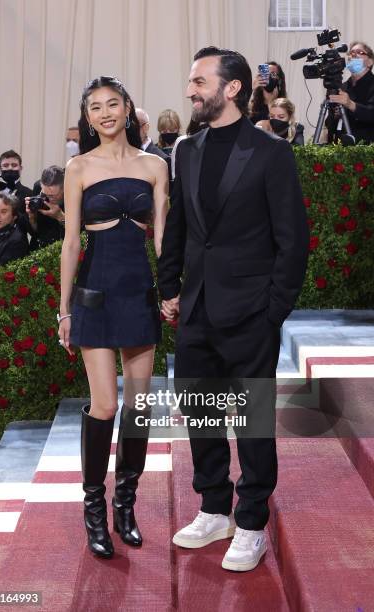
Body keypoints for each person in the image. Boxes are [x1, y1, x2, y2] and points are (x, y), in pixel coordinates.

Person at [158, 46, 309, 572]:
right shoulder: (188, 149)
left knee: (251, 422)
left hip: (250, 313)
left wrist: (273, 312)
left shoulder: (270, 153)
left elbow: (293, 240)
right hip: (196, 308)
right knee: (199, 412)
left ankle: (251, 523)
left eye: (199, 80)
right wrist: (168, 286)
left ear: (233, 88)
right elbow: (180, 225)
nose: (189, 89)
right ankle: (215, 508)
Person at [58, 76, 168, 559]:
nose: (105, 113)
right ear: (87, 117)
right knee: (104, 407)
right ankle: (95, 511)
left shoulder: (155, 166)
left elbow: (162, 240)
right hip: (94, 297)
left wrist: (171, 291)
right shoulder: (77, 167)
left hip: (139, 294)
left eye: (113, 104)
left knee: (139, 408)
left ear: (128, 109)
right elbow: (70, 244)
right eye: (95, 108)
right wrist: (63, 310)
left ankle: (127, 506)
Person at [327, 41, 374, 144]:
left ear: (370, 61)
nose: (353, 54)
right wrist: (335, 115)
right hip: (339, 148)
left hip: (366, 149)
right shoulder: (342, 87)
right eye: (351, 52)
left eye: (360, 52)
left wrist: (350, 104)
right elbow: (328, 123)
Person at [26, 166, 65, 249]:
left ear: (64, 189)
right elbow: (35, 232)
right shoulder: (38, 187)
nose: (47, 199)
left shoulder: (75, 194)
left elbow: (79, 233)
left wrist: (60, 217)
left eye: (52, 196)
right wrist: (32, 218)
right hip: (40, 248)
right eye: (44, 194)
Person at [136, 107, 171, 180]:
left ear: (146, 128)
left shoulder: (161, 158)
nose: (129, 132)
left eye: (134, 127)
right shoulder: (124, 154)